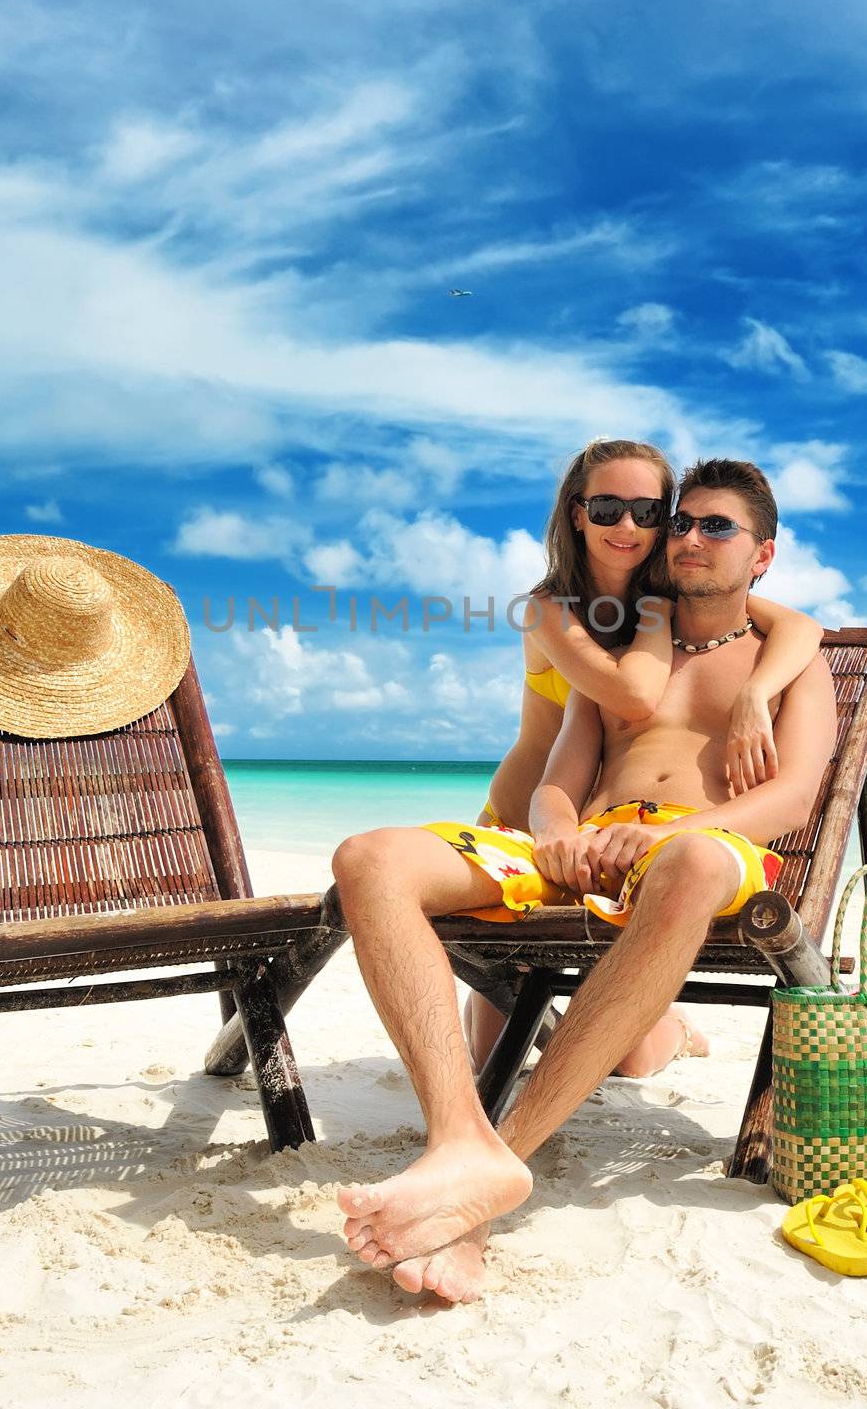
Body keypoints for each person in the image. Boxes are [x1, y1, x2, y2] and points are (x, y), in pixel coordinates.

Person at [331, 458, 837, 1303]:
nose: (689, 537)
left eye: (718, 527)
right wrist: (558, 834)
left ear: (762, 555)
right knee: (370, 858)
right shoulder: (617, 644)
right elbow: (560, 777)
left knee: (690, 860)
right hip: (590, 850)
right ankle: (460, 1140)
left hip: (699, 852)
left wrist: (668, 829)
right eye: (682, 522)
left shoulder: (785, 666)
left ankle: (495, 1173)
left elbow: (792, 797)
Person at [469, 439, 824, 1077]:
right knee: (489, 1041)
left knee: (627, 1056)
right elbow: (624, 706)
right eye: (607, 508)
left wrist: (755, 691)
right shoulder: (575, 616)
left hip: (645, 843)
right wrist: (558, 829)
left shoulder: (732, 629)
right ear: (577, 514)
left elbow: (799, 630)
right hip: (537, 819)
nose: (630, 526)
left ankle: (659, 1027)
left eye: (650, 511)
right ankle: (584, 1027)